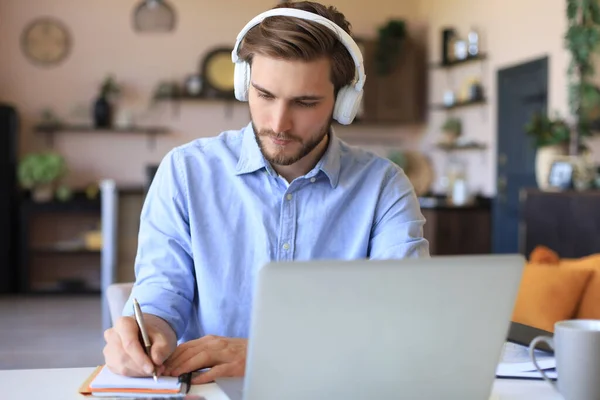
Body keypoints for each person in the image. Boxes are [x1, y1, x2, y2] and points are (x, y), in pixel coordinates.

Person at [103, 0, 429, 385]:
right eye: (264, 95)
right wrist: (148, 332)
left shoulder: (384, 187)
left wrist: (269, 353)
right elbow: (163, 289)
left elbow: (402, 320)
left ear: (344, 103)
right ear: (244, 85)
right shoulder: (185, 171)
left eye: (305, 103)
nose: (278, 123)